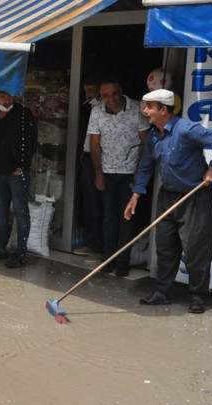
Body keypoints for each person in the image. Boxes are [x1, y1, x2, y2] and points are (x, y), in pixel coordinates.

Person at [124, 89, 212, 314]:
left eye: (150, 107)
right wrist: (136, 195)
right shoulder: (155, 135)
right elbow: (145, 166)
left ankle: (198, 296)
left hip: (194, 196)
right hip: (168, 196)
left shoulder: (186, 129)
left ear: (163, 110)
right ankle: (162, 292)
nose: (145, 111)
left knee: (195, 251)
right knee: (165, 248)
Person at [88, 77, 150, 277]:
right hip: (107, 171)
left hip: (130, 173)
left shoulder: (136, 109)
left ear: (121, 91)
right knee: (108, 217)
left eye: (114, 94)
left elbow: (145, 142)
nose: (110, 99)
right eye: (105, 95)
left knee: (127, 218)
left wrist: (139, 170)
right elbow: (94, 144)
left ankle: (123, 260)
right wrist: (98, 173)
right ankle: (109, 258)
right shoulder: (96, 111)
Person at [0, 90, 37, 268]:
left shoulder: (22, 114)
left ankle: (20, 252)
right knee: (1, 212)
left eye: (9, 96)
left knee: (21, 212)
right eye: (3, 97)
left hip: (16, 173)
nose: (6, 100)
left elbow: (30, 143)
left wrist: (21, 166)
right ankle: (0, 247)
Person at [75, 75, 102, 257]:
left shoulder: (102, 109)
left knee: (97, 204)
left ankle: (97, 244)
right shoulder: (87, 107)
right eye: (86, 91)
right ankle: (90, 240)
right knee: (87, 201)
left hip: (100, 160)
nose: (88, 94)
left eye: (91, 91)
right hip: (86, 157)